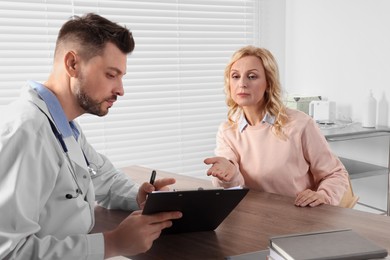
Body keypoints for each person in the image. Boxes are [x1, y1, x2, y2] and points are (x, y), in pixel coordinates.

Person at [0, 13, 182, 260]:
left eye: (121, 77)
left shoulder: (64, 125)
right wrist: (112, 244)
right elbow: (9, 252)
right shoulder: (27, 132)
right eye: (111, 74)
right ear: (73, 64)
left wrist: (138, 196)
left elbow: (102, 177)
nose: (120, 89)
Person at [204, 45, 349, 207]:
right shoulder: (227, 131)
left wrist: (324, 195)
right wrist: (228, 175)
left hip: (298, 218)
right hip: (251, 217)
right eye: (235, 76)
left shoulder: (300, 124)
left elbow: (336, 173)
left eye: (252, 76)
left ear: (268, 83)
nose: (242, 83)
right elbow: (234, 184)